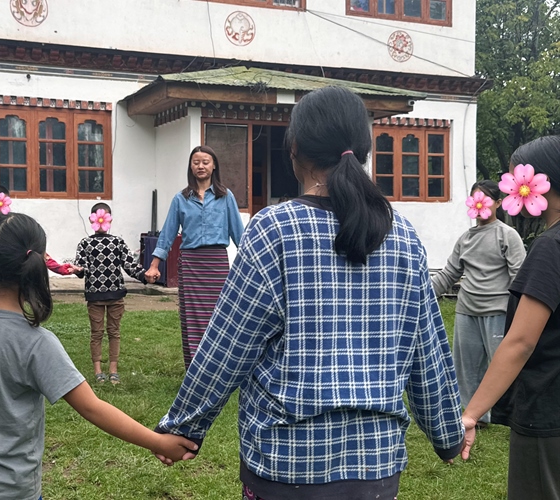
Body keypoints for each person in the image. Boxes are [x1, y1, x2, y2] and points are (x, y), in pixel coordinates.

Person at [154, 86, 464, 500]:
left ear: (294, 150)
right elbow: (428, 350)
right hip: (376, 470)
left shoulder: (274, 230)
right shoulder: (403, 235)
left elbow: (227, 346)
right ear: (365, 150)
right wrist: (448, 436)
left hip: (285, 468)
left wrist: (183, 426)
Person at [0, 213, 197, 500]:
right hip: (9, 490)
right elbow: (92, 408)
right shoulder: (36, 343)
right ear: (36, 264)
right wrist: (156, 441)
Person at [461, 136, 560, 499]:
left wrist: (471, 413)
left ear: (540, 185)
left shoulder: (550, 247)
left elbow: (520, 342)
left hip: (548, 412)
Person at [432, 180, 525, 427]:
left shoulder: (507, 235)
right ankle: (476, 416)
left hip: (498, 311)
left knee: (503, 366)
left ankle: (511, 414)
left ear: (497, 203)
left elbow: (520, 276)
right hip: (466, 311)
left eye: (485, 198)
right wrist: (420, 293)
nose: (480, 203)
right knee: (466, 368)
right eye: (475, 198)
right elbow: (448, 274)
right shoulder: (465, 238)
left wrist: (520, 312)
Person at [144, 145, 244, 368]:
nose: (201, 166)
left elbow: (239, 234)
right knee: (192, 317)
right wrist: (154, 265)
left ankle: (218, 367)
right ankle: (195, 368)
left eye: (205, 162)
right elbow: (168, 233)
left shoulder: (226, 197)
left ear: (214, 165)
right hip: (191, 264)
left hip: (216, 263)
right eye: (196, 162)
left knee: (219, 315)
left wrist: (253, 264)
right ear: (191, 166)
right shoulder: (181, 199)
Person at [74, 203, 148, 384]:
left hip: (116, 296)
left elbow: (130, 265)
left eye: (104, 217)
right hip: (95, 297)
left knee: (114, 332)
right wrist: (76, 269)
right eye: (97, 218)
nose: (101, 221)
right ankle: (98, 370)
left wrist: (145, 276)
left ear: (110, 220)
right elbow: (81, 268)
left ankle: (113, 370)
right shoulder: (85, 243)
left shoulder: (118, 242)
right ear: (92, 219)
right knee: (96, 333)